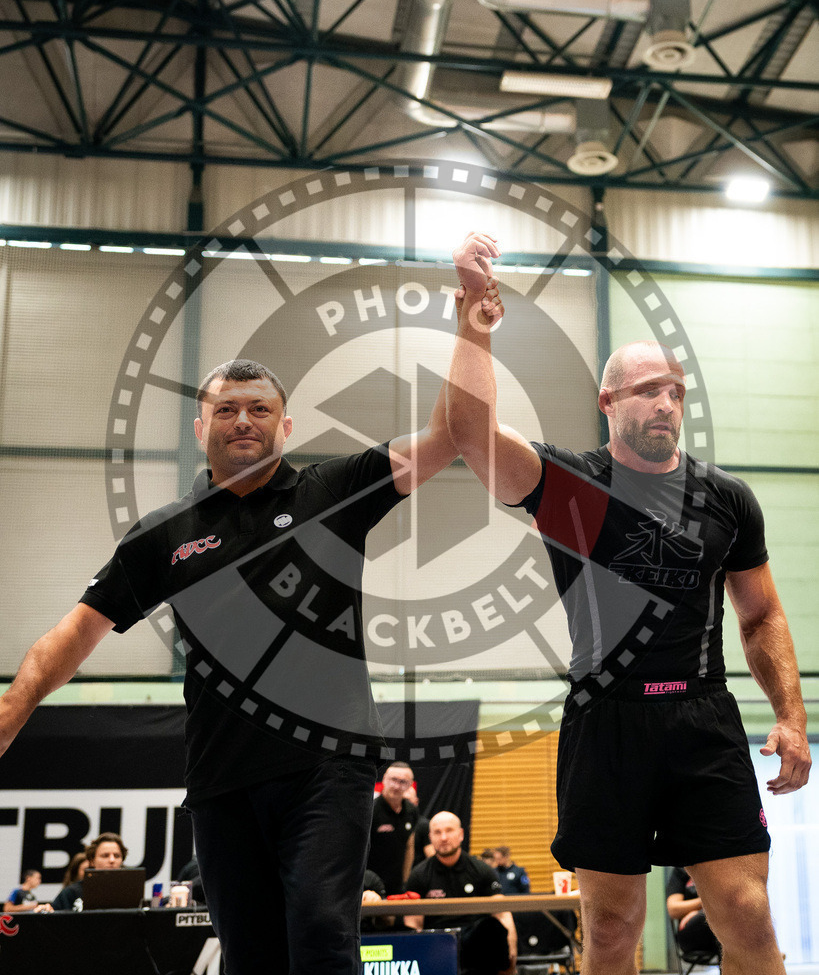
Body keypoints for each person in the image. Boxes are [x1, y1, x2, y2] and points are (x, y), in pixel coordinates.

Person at [0, 292, 503, 975]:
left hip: (328, 765)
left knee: (323, 933)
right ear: (202, 421)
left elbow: (452, 433)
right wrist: (12, 709)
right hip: (223, 780)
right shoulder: (162, 536)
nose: (244, 420)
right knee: (251, 957)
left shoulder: (332, 492)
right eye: (228, 408)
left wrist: (471, 322)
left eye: (259, 408)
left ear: (285, 424)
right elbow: (77, 632)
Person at [447, 232, 811, 975]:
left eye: (675, 390)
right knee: (611, 928)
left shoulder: (725, 499)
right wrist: (471, 327)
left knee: (744, 913)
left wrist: (790, 716)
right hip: (602, 720)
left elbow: (761, 614)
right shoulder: (572, 488)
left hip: (702, 716)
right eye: (649, 389)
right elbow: (470, 434)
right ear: (608, 401)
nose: (666, 402)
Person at [405, 811, 516, 975]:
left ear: (461, 834)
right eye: (437, 832)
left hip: (475, 944)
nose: (443, 837)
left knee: (493, 927)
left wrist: (512, 953)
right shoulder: (419, 875)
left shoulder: (482, 871)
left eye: (449, 830)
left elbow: (503, 914)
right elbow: (413, 925)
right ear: (430, 837)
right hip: (437, 944)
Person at [368, 761, 418, 894]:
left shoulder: (411, 811)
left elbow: (409, 846)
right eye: (393, 780)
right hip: (369, 886)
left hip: (397, 886)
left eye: (403, 782)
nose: (396, 786)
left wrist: (405, 881)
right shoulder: (371, 810)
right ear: (384, 779)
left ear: (410, 784)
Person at [52, 832, 126, 911]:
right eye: (105, 855)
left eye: (117, 856)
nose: (112, 860)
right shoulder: (72, 892)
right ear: (92, 861)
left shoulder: (132, 891)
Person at [667, 867, 721, 961]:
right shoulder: (681, 870)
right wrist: (704, 905)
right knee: (715, 917)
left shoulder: (720, 866)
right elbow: (673, 909)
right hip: (692, 932)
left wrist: (700, 911)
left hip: (720, 929)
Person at [404, 784, 433, 867]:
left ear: (416, 802)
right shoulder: (389, 823)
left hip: (416, 875)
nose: (405, 804)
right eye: (402, 800)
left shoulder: (424, 825)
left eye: (408, 800)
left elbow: (431, 857)